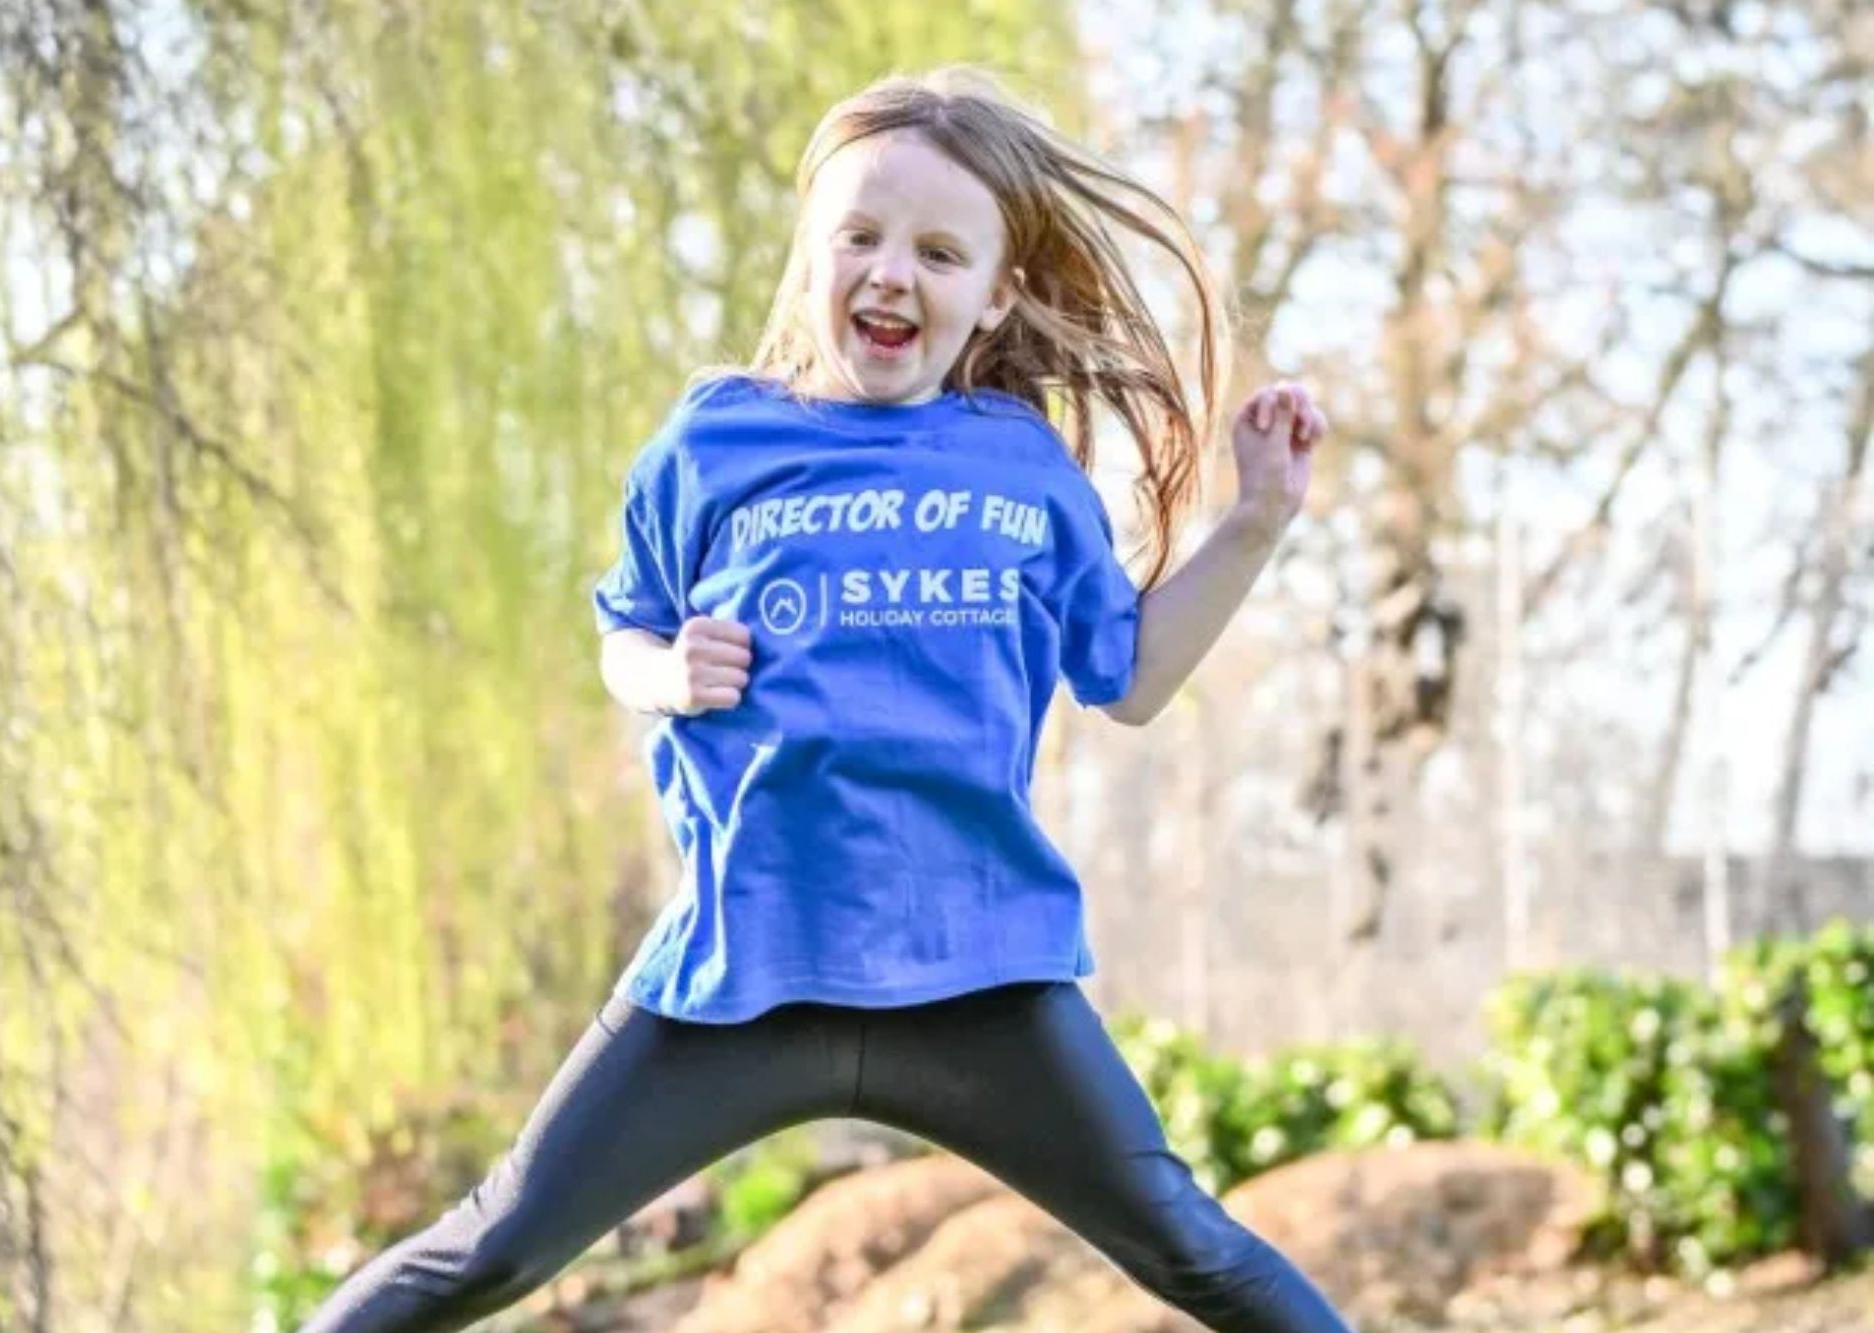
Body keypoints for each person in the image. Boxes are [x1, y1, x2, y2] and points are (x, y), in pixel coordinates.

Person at [298, 66, 1344, 1333]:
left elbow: (1126, 679)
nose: (891, 271)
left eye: (938, 251)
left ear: (995, 290)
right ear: (811, 254)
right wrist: (665, 673)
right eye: (858, 235)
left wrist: (1254, 519)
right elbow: (620, 631)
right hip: (741, 974)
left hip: (980, 982)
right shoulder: (713, 441)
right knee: (492, 1247)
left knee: (1190, 1242)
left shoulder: (1019, 464)